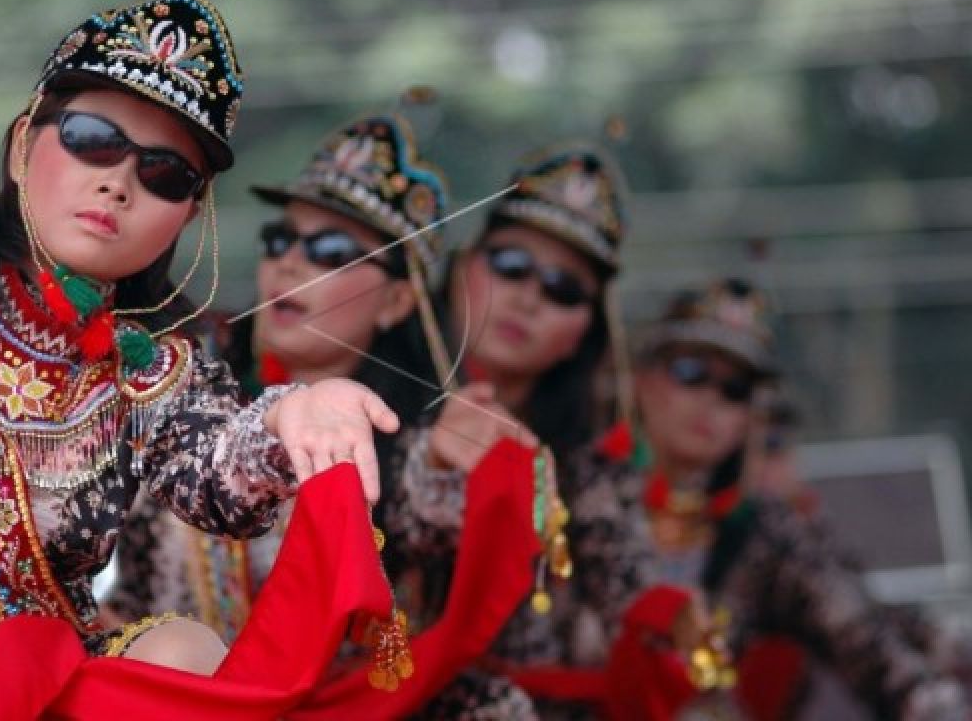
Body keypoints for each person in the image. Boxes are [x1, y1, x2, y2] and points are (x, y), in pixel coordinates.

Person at [0, 0, 398, 719]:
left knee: (184, 653)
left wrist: (290, 413)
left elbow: (221, 482)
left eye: (166, 173)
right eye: (94, 137)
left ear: (186, 217)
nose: (119, 182)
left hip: (37, 696)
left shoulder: (157, 374)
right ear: (21, 145)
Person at [104, 104, 449, 644]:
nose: (289, 263)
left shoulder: (414, 453)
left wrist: (452, 459)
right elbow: (123, 600)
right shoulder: (187, 399)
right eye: (279, 240)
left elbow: (442, 513)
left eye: (330, 252)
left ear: (398, 300)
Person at [383, 141, 673, 719]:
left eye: (564, 289)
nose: (528, 297)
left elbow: (632, 606)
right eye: (512, 265)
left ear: (584, 331)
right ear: (464, 267)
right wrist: (436, 466)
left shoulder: (590, 467)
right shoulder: (372, 396)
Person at [630, 278, 968, 719]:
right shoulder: (576, 495)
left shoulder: (765, 535)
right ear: (643, 380)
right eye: (691, 373)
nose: (710, 400)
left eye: (735, 390)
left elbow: (867, 640)